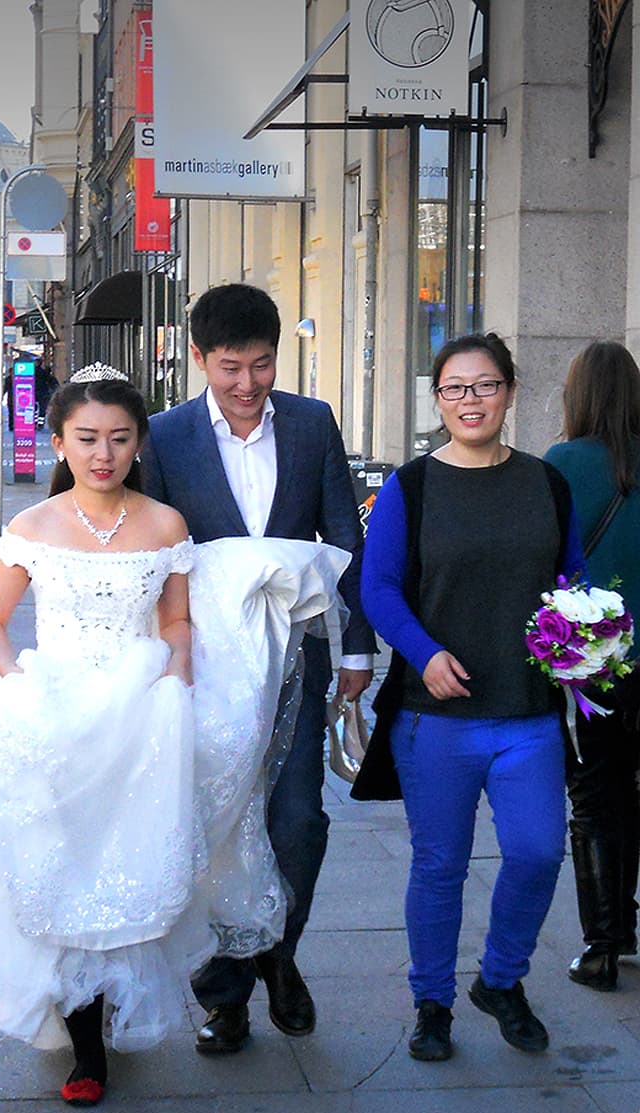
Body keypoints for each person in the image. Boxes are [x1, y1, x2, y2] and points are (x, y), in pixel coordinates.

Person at [0, 365, 350, 1106]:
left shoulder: (164, 524)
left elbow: (176, 619)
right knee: (57, 868)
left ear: (138, 444)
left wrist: (178, 676)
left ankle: (134, 1005)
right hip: (54, 711)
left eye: (119, 438)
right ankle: (85, 1050)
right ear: (58, 440)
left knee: (126, 869)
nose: (103, 453)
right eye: (87, 438)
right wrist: (16, 682)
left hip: (140, 713)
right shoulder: (32, 527)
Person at [141, 282, 375, 1054]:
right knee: (215, 823)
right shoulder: (167, 436)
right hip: (204, 662)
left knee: (300, 819)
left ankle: (281, 952)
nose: (248, 385)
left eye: (263, 366)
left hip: (297, 660)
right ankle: (225, 993)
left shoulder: (311, 424)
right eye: (231, 367)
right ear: (201, 358)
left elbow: (345, 536)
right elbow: (157, 557)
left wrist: (358, 648)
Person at [353, 332, 584, 1062]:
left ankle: (502, 979)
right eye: (455, 388)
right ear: (438, 399)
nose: (471, 400)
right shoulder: (412, 487)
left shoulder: (546, 483)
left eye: (485, 385)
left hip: (528, 714)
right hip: (437, 717)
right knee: (440, 865)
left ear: (510, 392)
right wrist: (424, 654)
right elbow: (379, 587)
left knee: (540, 849)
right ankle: (432, 1003)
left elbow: (570, 579)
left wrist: (587, 635)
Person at [544, 339, 640, 991]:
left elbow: (541, 562)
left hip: (591, 657)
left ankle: (603, 945)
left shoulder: (561, 463)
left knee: (594, 795)